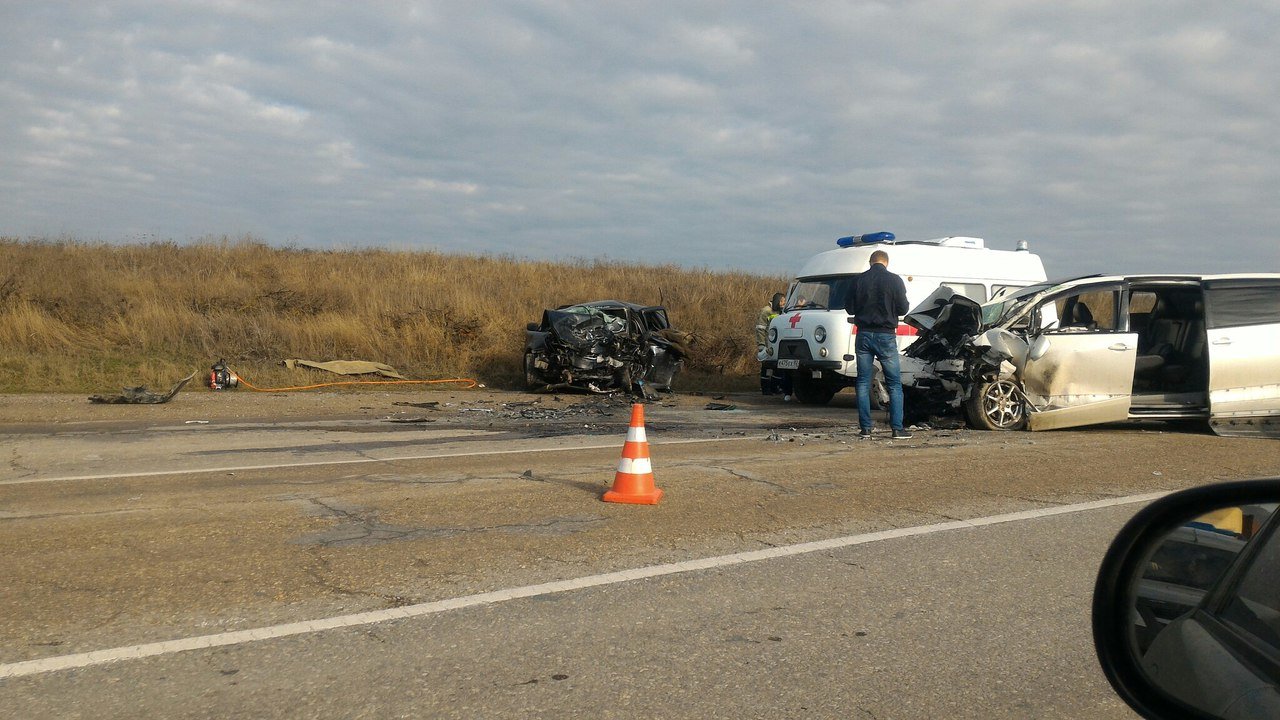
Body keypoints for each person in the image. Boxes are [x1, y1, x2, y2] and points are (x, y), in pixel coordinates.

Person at [845, 250, 911, 439]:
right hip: (886, 336)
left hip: (863, 334)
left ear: (870, 262)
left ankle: (866, 428)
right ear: (886, 263)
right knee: (894, 384)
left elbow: (849, 307)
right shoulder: (895, 280)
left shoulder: (858, 281)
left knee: (863, 382)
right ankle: (897, 429)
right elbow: (903, 308)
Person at [756, 292, 791, 398]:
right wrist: (761, 345)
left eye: (784, 301)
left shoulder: (782, 312)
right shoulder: (766, 311)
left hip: (778, 344)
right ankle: (765, 388)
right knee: (766, 367)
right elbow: (760, 329)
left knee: (778, 367)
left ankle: (775, 387)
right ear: (776, 301)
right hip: (767, 344)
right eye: (781, 301)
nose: (783, 303)